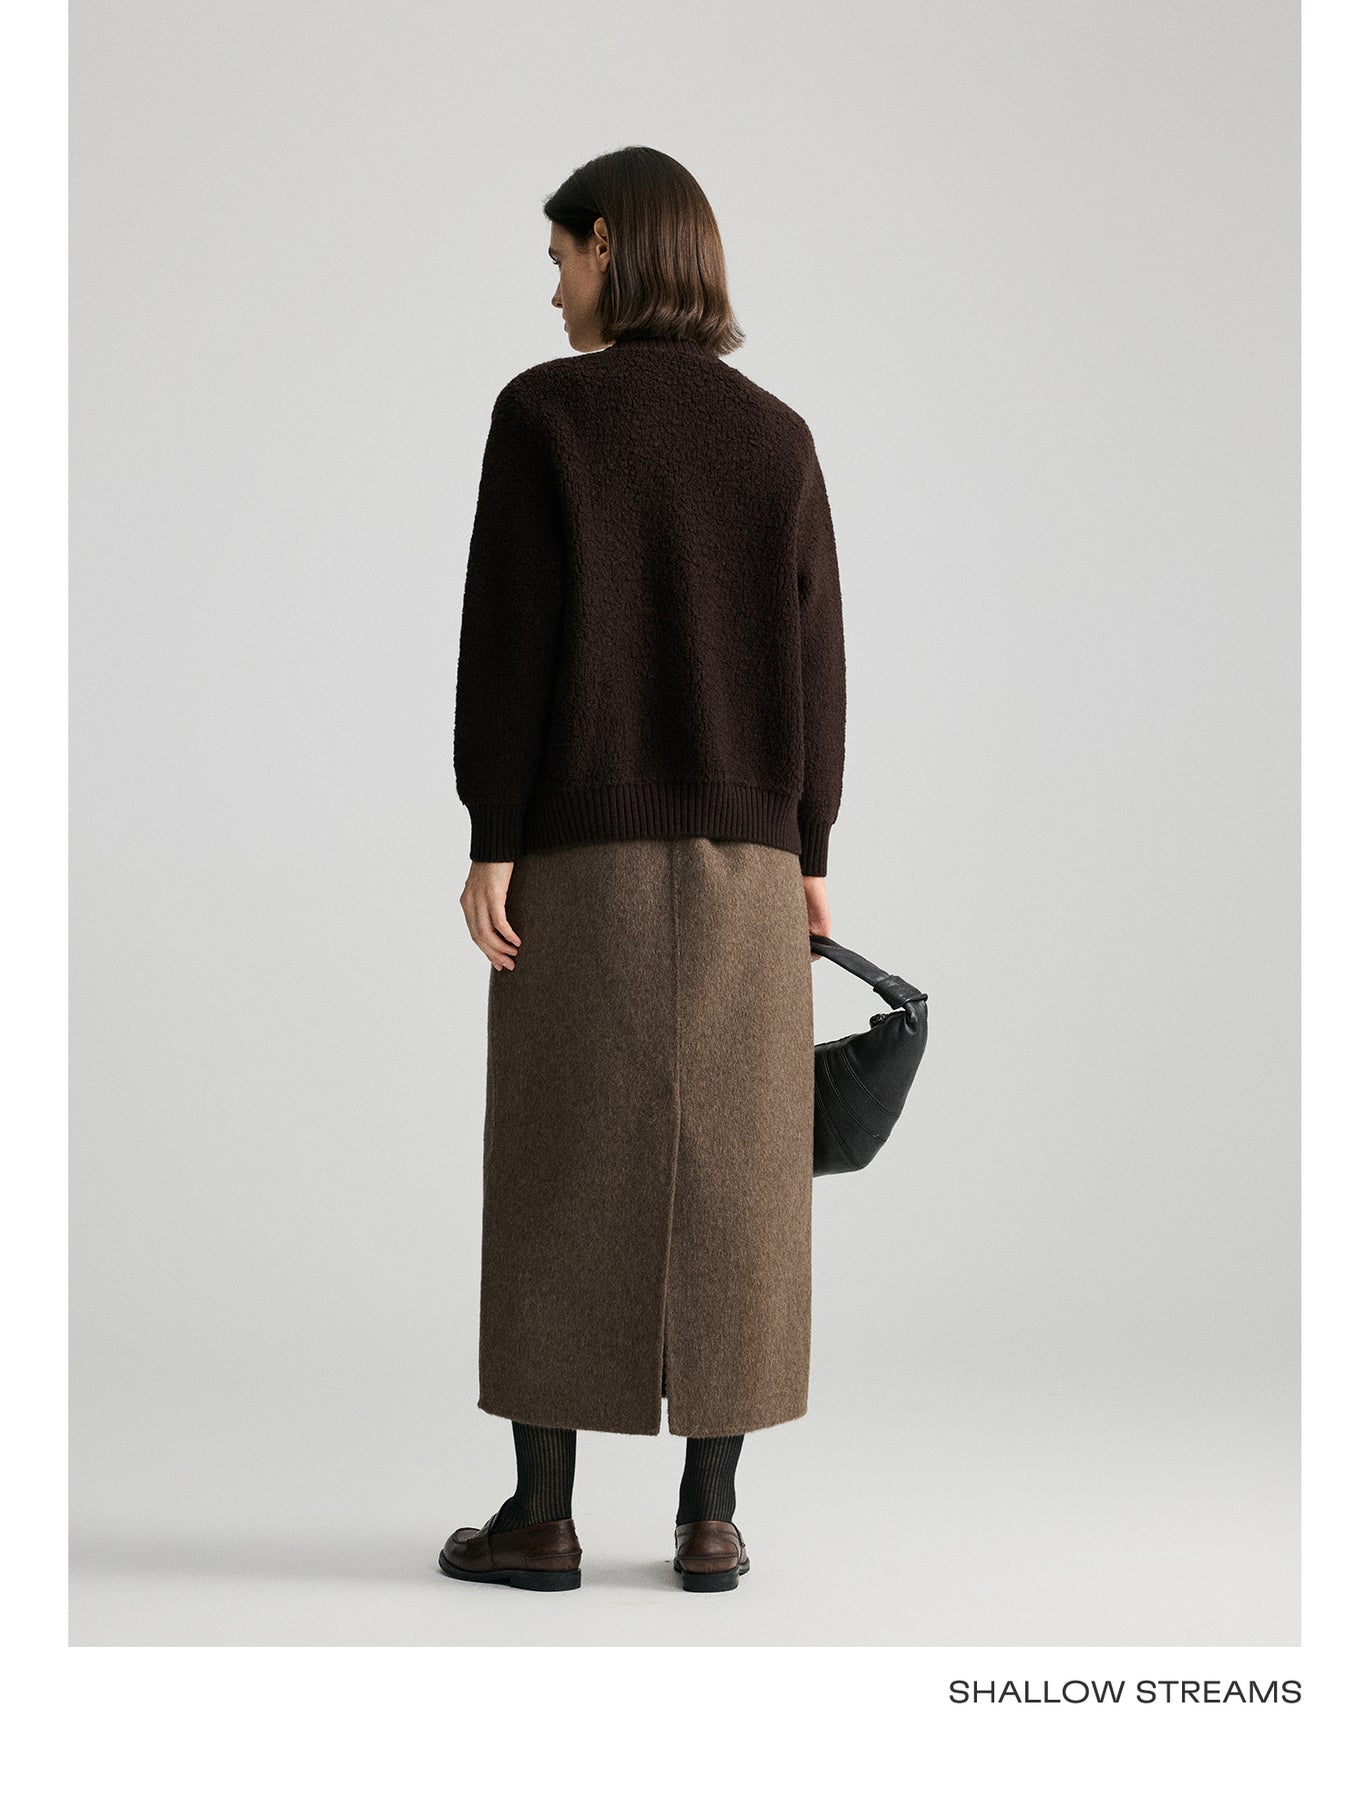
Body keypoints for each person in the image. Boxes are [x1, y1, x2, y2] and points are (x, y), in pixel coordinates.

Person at [438, 145, 846, 1595]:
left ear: (610, 244)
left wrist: (492, 833)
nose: (553, 289)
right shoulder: (777, 436)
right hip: (748, 862)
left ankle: (541, 1517)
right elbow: (818, 658)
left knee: (561, 1157)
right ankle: (710, 1518)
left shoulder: (545, 414)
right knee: (741, 1172)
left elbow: (510, 640)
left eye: (559, 257)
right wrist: (809, 847)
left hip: (582, 851)